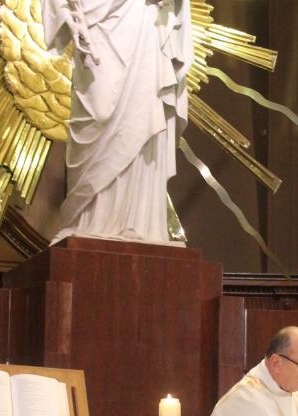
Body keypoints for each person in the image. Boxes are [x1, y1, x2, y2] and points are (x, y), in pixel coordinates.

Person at [42, 0, 193, 245]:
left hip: (143, 19)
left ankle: (139, 222)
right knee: (98, 111)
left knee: (143, 113)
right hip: (94, 21)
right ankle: (86, 218)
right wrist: (63, 10)